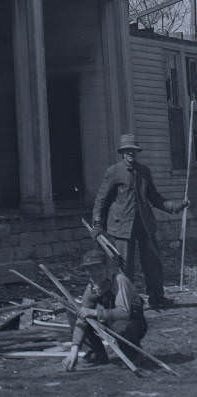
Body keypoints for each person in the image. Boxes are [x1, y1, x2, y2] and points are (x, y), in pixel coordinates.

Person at [91, 132, 189, 309]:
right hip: (121, 227)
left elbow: (155, 198)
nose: (130, 154)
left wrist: (176, 206)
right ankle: (125, 301)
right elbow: (101, 200)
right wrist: (97, 223)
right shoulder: (114, 172)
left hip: (144, 225)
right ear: (122, 152)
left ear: (137, 152)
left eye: (133, 151)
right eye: (127, 151)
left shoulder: (144, 172)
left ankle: (157, 298)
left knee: (153, 263)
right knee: (124, 267)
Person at [63, 249, 147, 371]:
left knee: (120, 326)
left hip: (132, 324)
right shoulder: (93, 285)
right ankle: (97, 353)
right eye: (89, 269)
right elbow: (82, 316)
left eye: (97, 268)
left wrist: (94, 313)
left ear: (106, 267)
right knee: (74, 312)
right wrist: (74, 349)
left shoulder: (119, 280)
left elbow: (124, 313)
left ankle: (133, 353)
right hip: (110, 321)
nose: (94, 273)